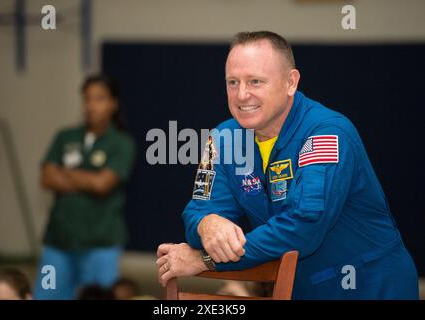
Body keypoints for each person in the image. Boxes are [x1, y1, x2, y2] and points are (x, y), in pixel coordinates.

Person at [156, 31, 419, 299]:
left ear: (291, 82)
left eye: (255, 81)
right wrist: (206, 223)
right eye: (232, 82)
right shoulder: (221, 139)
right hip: (301, 289)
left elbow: (304, 225)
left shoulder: (327, 133)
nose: (242, 95)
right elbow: (196, 210)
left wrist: (205, 259)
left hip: (370, 287)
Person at [34, 75, 135, 299]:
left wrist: (66, 174)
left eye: (99, 99)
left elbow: (102, 185)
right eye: (87, 99)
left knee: (99, 297)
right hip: (58, 244)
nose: (91, 106)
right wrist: (88, 178)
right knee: (46, 295)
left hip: (100, 245)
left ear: (113, 103)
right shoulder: (65, 136)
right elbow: (46, 178)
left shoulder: (121, 143)